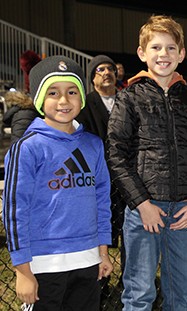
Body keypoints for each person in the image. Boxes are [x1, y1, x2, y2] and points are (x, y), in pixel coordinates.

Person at [106, 15, 187, 311]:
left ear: (181, 55)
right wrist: (142, 203)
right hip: (144, 213)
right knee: (139, 293)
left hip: (184, 212)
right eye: (156, 47)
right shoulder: (128, 98)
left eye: (171, 48)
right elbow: (116, 155)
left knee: (180, 295)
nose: (163, 55)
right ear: (142, 53)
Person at [3, 55, 113, 310]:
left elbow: (102, 201)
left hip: (87, 261)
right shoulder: (27, 148)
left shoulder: (94, 144)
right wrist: (23, 270)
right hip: (44, 264)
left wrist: (103, 251)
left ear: (82, 98)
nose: (64, 100)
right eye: (53, 92)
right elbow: (14, 211)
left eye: (72, 92)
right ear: (40, 99)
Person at [75, 54, 124, 299]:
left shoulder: (126, 101)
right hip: (99, 181)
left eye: (111, 69)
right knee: (98, 235)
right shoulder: (84, 105)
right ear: (92, 77)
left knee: (129, 236)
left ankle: (130, 281)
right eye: (100, 70)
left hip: (125, 182)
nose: (106, 73)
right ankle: (100, 286)